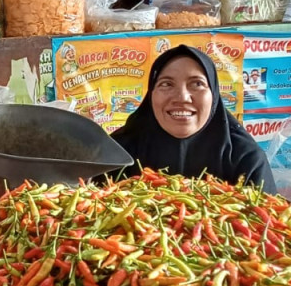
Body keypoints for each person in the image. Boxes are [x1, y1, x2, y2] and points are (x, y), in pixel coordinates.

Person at [110, 44, 275, 191]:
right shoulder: (116, 154)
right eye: (166, 84)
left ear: (214, 96)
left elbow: (269, 221)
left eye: (197, 84)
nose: (182, 97)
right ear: (151, 94)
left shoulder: (245, 159)